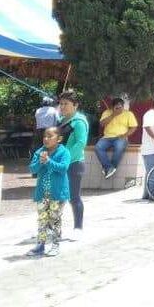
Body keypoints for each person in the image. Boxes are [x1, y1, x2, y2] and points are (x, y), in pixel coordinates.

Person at [27, 126, 71, 257]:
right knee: (42, 219)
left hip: (57, 194)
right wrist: (41, 161)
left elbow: (63, 168)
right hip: (43, 193)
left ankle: (55, 245)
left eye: (50, 136)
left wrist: (49, 161)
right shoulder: (39, 152)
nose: (46, 139)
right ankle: (40, 245)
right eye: (44, 136)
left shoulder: (64, 152)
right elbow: (32, 169)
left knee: (54, 219)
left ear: (59, 139)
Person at [57, 91, 88, 237]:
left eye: (66, 104)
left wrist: (66, 159)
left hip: (74, 164)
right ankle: (53, 227)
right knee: (57, 196)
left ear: (75, 105)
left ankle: (78, 228)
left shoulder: (79, 121)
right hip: (59, 164)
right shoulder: (61, 120)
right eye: (61, 103)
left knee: (73, 197)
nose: (62, 106)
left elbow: (80, 143)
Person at [94, 97, 138, 179]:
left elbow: (134, 127)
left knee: (119, 147)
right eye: (117, 106)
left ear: (123, 106)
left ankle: (111, 168)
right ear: (113, 107)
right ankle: (108, 167)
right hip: (107, 137)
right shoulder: (107, 112)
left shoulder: (128, 114)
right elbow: (102, 124)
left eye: (120, 106)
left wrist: (125, 135)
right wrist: (114, 114)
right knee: (98, 147)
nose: (119, 108)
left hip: (120, 137)